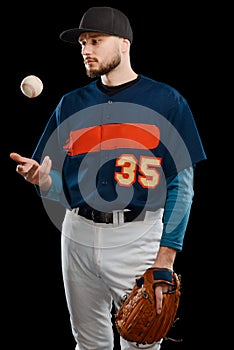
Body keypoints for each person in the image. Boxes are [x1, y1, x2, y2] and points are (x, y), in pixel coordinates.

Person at [10, 6, 207, 350]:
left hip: (139, 235)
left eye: (95, 41)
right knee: (88, 343)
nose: (86, 49)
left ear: (124, 44)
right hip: (77, 234)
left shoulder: (166, 101)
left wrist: (166, 257)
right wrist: (42, 181)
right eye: (83, 43)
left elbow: (182, 186)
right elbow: (60, 185)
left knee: (143, 341)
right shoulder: (70, 104)